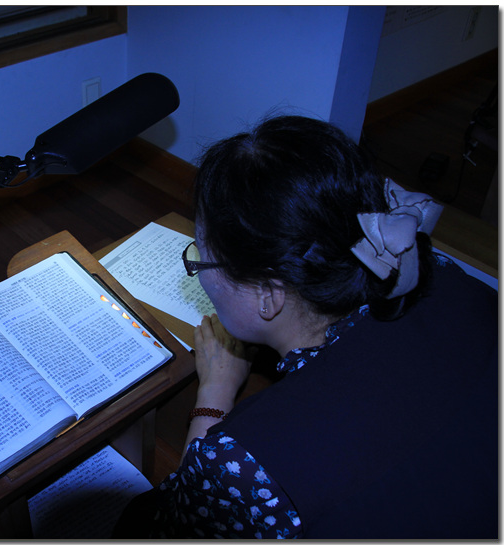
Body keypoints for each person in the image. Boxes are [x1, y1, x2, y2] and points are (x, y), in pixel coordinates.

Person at [114, 115, 497, 539]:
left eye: (202, 258)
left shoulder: (244, 467)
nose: (199, 271)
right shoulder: (447, 276)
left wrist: (214, 395)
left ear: (268, 294)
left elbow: (164, 529)